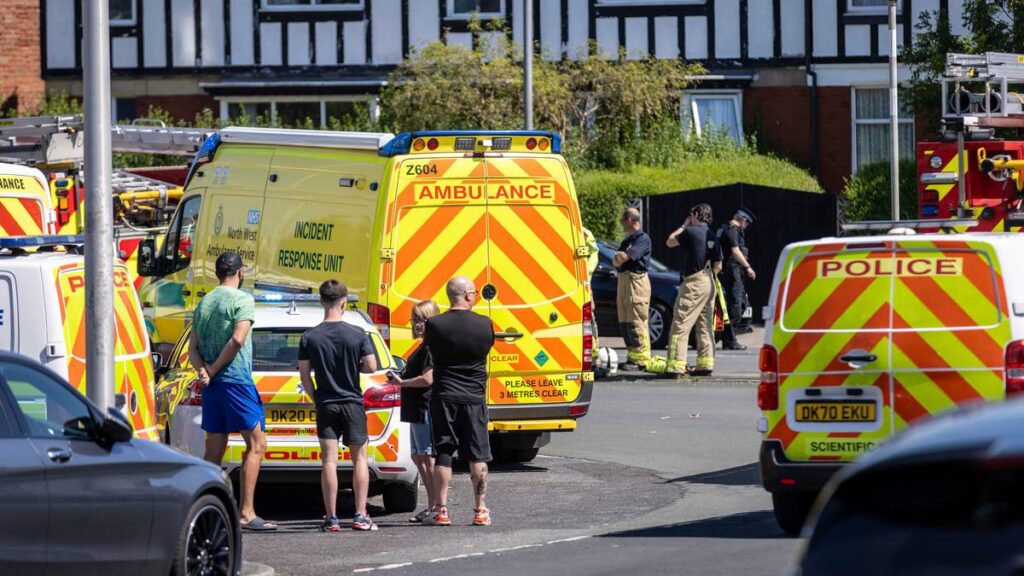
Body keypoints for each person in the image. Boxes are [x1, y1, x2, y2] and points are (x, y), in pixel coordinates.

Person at [189, 251, 276, 531]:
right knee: (257, 444)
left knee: (214, 450)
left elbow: (192, 349)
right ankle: (247, 513)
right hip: (235, 380)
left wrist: (203, 370)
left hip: (213, 388)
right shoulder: (242, 299)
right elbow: (238, 339)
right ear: (240, 272)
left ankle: (202, 510)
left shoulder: (204, 302)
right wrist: (213, 369)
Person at [298, 279, 379, 532]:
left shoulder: (310, 336)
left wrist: (316, 398)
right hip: (352, 402)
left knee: (329, 462)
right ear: (344, 303)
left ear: (322, 301)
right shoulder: (357, 334)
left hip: (326, 403)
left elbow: (304, 375)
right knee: (359, 459)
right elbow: (372, 366)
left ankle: (331, 518)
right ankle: (360, 514)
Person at [420, 276, 495, 527]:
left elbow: (430, 352)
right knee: (477, 455)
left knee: (443, 452)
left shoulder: (434, 325)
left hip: (444, 397)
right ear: (467, 295)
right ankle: (480, 510)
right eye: (474, 292)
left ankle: (441, 511)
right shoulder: (485, 325)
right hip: (474, 398)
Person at [388, 299, 441, 523]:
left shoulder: (430, 347)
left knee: (427, 459)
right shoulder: (423, 345)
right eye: (415, 320)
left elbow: (428, 379)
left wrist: (402, 382)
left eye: (423, 320)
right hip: (416, 408)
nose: (418, 325)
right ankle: (432, 506)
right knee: (418, 456)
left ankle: (437, 507)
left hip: (425, 407)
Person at [660, 204, 723, 377]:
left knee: (680, 324)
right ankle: (705, 364)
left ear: (696, 214)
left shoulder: (690, 231)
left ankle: (674, 367)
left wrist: (684, 225)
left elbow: (670, 241)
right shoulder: (713, 236)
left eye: (691, 215)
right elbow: (719, 265)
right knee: (705, 325)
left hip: (694, 283)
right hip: (709, 282)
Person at [613, 208, 652, 370]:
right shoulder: (628, 240)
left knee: (637, 320)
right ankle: (633, 356)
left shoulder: (642, 239)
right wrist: (620, 258)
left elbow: (623, 257)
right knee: (625, 322)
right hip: (624, 280)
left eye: (623, 219)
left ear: (630, 220)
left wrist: (621, 257)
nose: (621, 222)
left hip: (636, 282)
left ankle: (641, 359)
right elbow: (616, 261)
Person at [719, 208, 756, 351]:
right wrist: (748, 267)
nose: (746, 227)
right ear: (743, 219)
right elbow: (735, 251)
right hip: (732, 270)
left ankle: (728, 337)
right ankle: (727, 337)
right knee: (736, 304)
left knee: (739, 303)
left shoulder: (728, 229)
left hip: (734, 271)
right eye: (747, 223)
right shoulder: (732, 230)